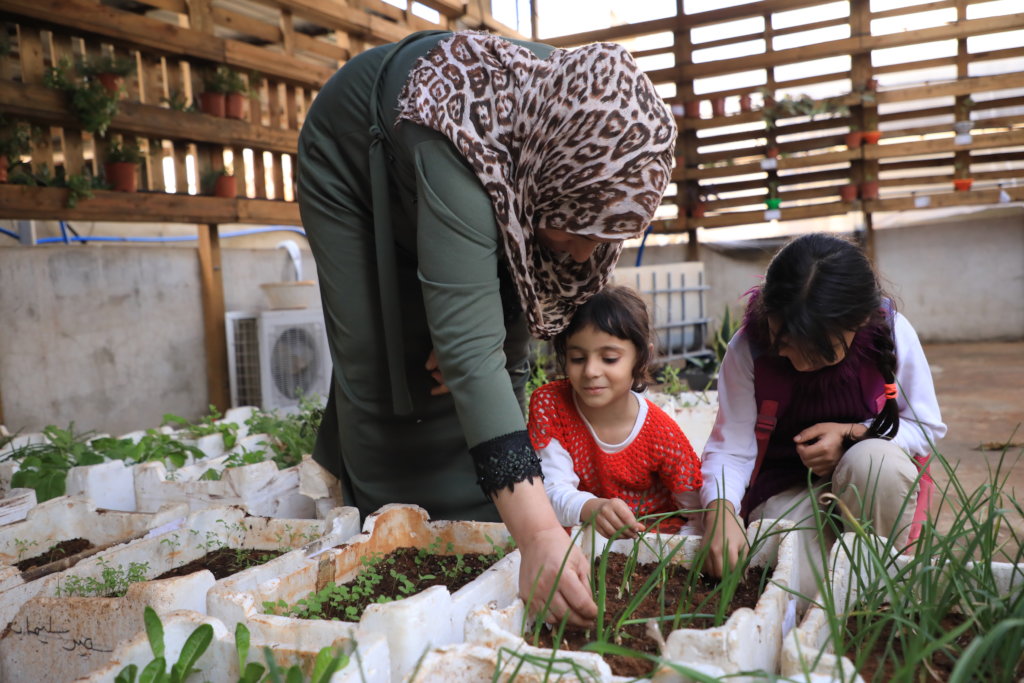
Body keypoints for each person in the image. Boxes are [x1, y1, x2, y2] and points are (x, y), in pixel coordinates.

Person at [296, 29, 676, 627]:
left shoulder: (587, 141)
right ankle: (384, 529)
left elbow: (520, 313)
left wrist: (480, 347)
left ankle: (487, 516)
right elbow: (471, 357)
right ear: (547, 184)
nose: (583, 256)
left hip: (500, 179)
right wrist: (544, 538)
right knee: (383, 357)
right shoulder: (458, 135)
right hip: (358, 164)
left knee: (484, 359)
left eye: (599, 236)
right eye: (577, 231)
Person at [699, 233, 946, 577]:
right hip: (787, 491)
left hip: (868, 482)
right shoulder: (748, 350)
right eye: (784, 343)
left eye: (819, 350)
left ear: (858, 322)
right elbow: (732, 449)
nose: (799, 363)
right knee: (805, 585)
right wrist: (721, 509)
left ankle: (885, 585)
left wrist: (853, 436)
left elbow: (925, 426)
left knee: (875, 462)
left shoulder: (891, 333)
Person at [528, 286, 703, 539]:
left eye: (609, 358)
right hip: (579, 532)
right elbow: (550, 490)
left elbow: (698, 511)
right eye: (577, 358)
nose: (590, 371)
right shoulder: (551, 405)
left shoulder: (661, 433)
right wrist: (590, 507)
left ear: (642, 358)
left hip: (651, 538)